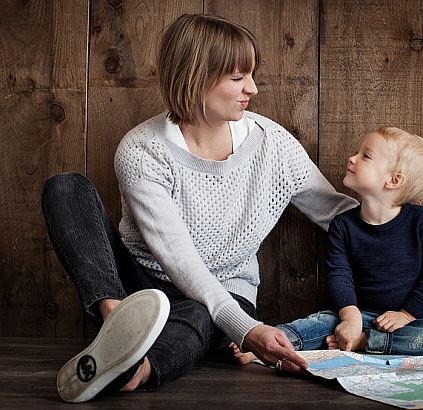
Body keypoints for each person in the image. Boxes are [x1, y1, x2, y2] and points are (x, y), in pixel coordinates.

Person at [41, 13, 357, 403]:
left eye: (251, 76)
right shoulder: (143, 150)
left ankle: (134, 368)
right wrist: (248, 331)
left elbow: (337, 213)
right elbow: (178, 259)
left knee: (199, 314)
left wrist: (416, 250)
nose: (253, 89)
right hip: (138, 286)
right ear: (196, 76)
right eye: (238, 78)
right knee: (65, 188)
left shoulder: (272, 144)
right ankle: (117, 323)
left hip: (224, 292)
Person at [233, 127, 423, 364]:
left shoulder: (421, 221)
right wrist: (350, 317)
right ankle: (265, 345)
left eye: (365, 156)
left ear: (394, 180)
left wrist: (407, 314)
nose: (352, 158)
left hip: (405, 321)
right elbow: (339, 275)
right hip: (355, 312)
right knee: (317, 324)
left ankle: (365, 342)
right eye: (358, 152)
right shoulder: (343, 225)